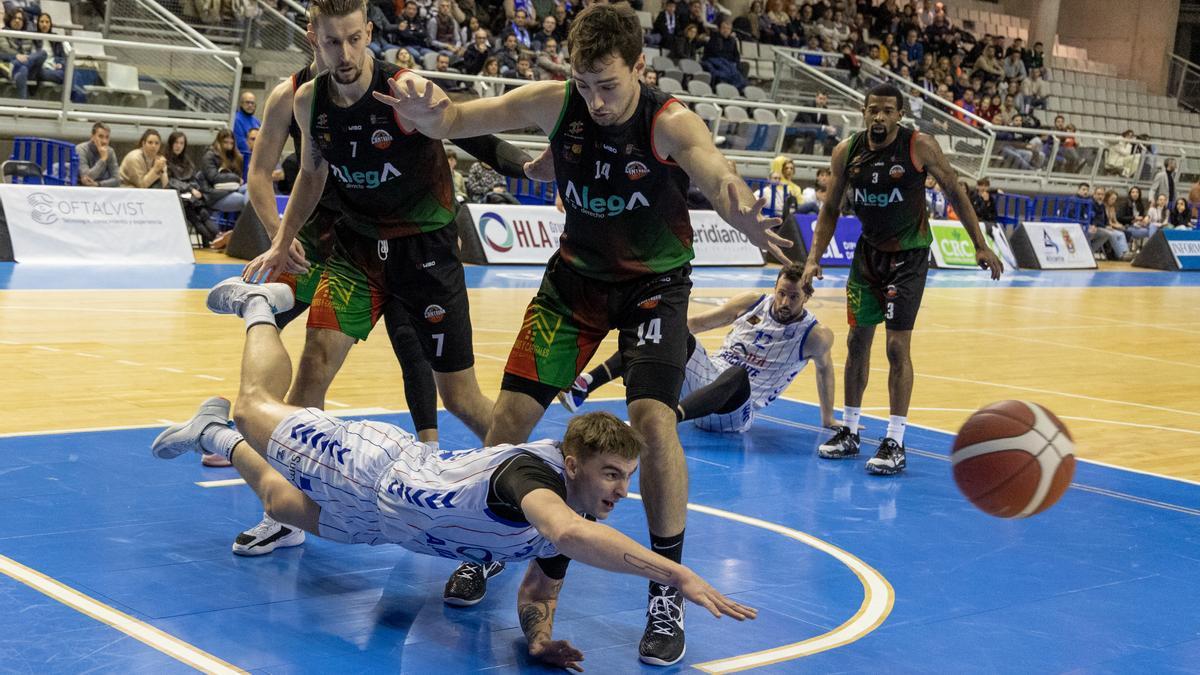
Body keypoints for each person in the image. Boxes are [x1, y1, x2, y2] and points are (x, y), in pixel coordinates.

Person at [372, 3, 788, 665]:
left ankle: (664, 592)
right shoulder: (555, 102)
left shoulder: (669, 121)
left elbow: (715, 170)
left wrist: (741, 206)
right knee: (507, 419)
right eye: (585, 85)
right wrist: (426, 100)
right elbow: (454, 118)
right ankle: (489, 545)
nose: (595, 101)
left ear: (641, 70)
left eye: (609, 86)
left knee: (653, 420)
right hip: (574, 283)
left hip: (654, 284)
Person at [151, 278, 757, 672]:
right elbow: (570, 538)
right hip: (369, 466)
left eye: (626, 478)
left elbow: (539, 592)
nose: (621, 492)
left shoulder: (572, 511)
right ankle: (262, 307)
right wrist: (676, 573)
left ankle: (214, 435)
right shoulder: (530, 478)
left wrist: (539, 640)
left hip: (382, 522)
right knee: (255, 401)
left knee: (283, 505)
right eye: (611, 476)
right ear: (572, 466)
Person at [237, 0, 536, 557]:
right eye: (333, 42)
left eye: (354, 40)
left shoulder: (408, 91)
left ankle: (532, 494)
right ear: (314, 40)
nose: (345, 54)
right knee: (311, 376)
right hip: (356, 254)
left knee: (461, 397)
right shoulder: (307, 100)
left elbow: (473, 132)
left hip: (425, 254)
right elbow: (312, 173)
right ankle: (287, 515)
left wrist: (526, 167)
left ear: (369, 33)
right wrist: (280, 239)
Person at [803, 83, 1002, 476]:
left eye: (887, 111)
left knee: (896, 347)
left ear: (900, 114)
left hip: (909, 257)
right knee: (857, 342)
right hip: (867, 257)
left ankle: (895, 440)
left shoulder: (919, 146)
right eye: (873, 110)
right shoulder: (847, 151)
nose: (879, 117)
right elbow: (829, 209)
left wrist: (979, 244)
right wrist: (813, 259)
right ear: (864, 112)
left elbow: (956, 192)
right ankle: (851, 430)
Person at [560, 264, 836, 433]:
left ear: (808, 297)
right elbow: (695, 324)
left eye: (794, 296)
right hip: (705, 381)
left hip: (735, 412)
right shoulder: (752, 302)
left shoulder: (815, 335)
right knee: (667, 333)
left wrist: (828, 419)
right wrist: (662, 331)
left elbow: (825, 372)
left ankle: (668, 419)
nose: (785, 302)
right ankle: (584, 385)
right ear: (774, 288)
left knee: (738, 374)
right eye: (781, 293)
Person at [164, 131, 220, 249]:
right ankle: (215, 241)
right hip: (176, 196)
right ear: (170, 144)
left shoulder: (187, 161)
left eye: (181, 143)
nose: (178, 146)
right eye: (176, 143)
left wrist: (196, 189)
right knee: (194, 217)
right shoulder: (164, 160)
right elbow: (171, 182)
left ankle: (217, 237)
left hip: (192, 196)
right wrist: (190, 188)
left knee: (204, 213)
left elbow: (194, 179)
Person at [201, 128, 249, 215]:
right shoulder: (210, 155)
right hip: (215, 195)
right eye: (225, 142)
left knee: (252, 187)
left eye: (231, 142)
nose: (228, 145)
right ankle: (249, 222)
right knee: (245, 200)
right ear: (219, 142)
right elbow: (214, 178)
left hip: (232, 189)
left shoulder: (236, 157)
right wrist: (236, 178)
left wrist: (236, 179)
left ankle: (249, 222)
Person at [76, 122, 120, 187]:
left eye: (107, 137)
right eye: (100, 136)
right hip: (81, 189)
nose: (104, 141)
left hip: (101, 189)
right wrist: (103, 159)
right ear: (92, 136)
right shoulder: (81, 149)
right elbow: (87, 179)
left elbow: (117, 180)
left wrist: (98, 184)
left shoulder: (110, 151)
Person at [233, 91, 261, 157]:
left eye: (252, 103)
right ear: (241, 104)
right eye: (247, 102)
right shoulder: (236, 120)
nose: (250, 105)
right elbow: (241, 143)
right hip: (243, 156)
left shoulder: (256, 121)